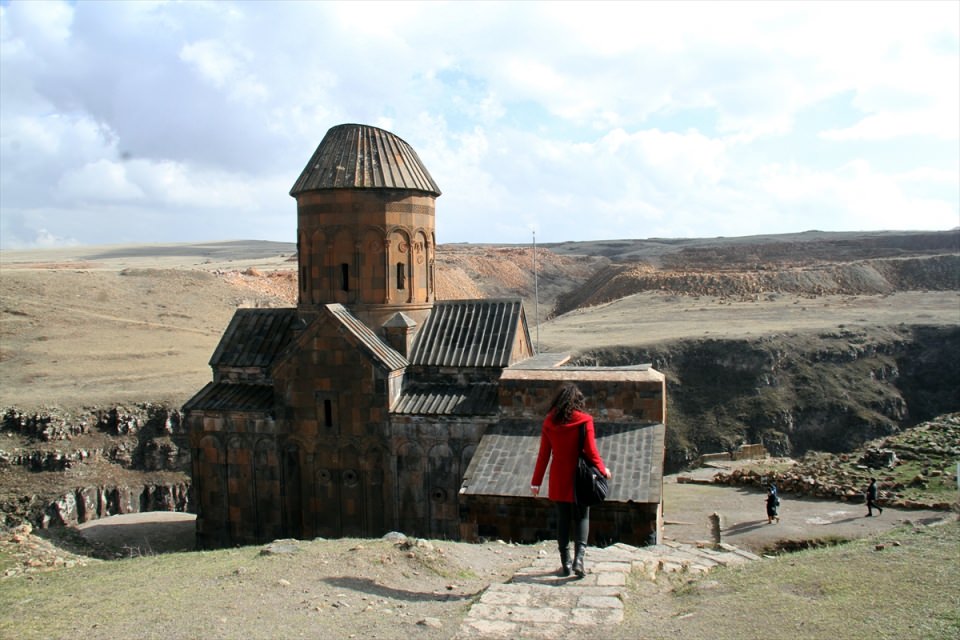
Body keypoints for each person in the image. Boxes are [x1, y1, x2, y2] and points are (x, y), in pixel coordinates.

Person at [530, 383, 611, 578]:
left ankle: (565, 562)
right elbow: (591, 452)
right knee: (582, 516)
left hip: (559, 476)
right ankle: (579, 560)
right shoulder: (585, 421)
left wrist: (536, 482)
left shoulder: (549, 422)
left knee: (563, 519)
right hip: (580, 477)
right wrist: (603, 470)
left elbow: (544, 455)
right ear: (577, 401)